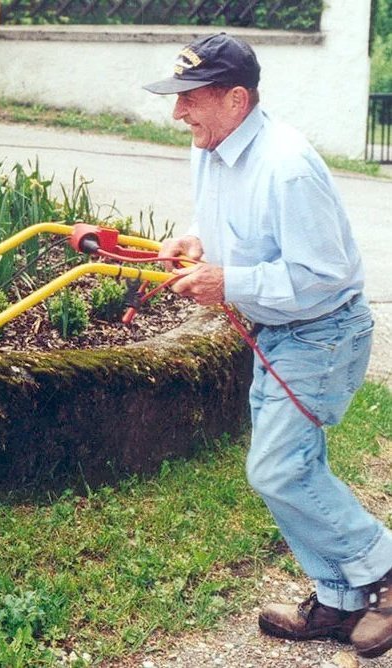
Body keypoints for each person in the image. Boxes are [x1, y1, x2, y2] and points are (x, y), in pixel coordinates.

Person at [144, 33, 392, 659]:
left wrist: (229, 281)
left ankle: (383, 570)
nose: (178, 113)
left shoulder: (289, 164)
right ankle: (338, 600)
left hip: (321, 333)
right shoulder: (213, 146)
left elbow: (323, 274)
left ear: (235, 98)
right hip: (275, 331)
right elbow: (234, 220)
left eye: (189, 100)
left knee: (278, 468)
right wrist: (198, 242)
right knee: (290, 469)